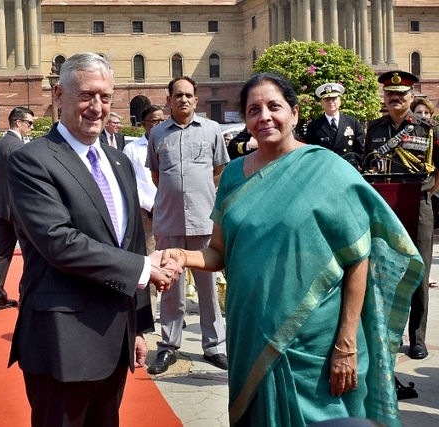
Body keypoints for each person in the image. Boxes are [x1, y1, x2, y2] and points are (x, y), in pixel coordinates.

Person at [161, 72, 423, 426]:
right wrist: (184, 256)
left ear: (295, 114)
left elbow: (358, 259)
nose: (264, 116)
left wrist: (346, 343)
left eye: (274, 106)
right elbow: (219, 252)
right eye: (253, 110)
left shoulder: (329, 170)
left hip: (317, 339)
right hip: (251, 331)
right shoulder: (234, 175)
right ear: (246, 120)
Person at [7, 52, 182, 427]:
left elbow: (131, 242)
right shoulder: (32, 160)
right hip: (62, 339)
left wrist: (137, 327)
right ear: (58, 96)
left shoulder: (118, 161)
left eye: (105, 97)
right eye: (86, 95)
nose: (96, 107)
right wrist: (143, 268)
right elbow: (58, 242)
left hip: (114, 336)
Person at [145, 76, 229, 374]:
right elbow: (156, 175)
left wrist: (198, 192)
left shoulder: (211, 130)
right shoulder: (158, 135)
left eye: (188, 95)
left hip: (204, 221)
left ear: (196, 100)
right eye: (177, 95)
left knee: (208, 289)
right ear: (169, 100)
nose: (183, 99)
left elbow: (219, 170)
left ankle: (215, 347)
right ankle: (168, 346)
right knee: (170, 287)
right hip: (169, 222)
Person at [365, 70, 439, 360]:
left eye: (401, 94)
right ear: (384, 97)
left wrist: (431, 193)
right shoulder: (374, 129)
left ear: (412, 96)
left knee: (418, 272)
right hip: (384, 206)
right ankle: (389, 334)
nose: (395, 98)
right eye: (390, 94)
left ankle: (417, 338)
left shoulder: (428, 128)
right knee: (385, 272)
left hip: (418, 204)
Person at [0, 107, 34, 312]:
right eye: (29, 123)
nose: (31, 127)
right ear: (18, 122)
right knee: (30, 253)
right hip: (18, 209)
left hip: (0, 206)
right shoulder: (19, 147)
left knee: (2, 253)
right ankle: (25, 294)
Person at [124, 105, 165, 314]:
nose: (158, 124)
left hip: (169, 211)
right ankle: (150, 310)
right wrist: (149, 206)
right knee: (150, 260)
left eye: (161, 120)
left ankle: (169, 312)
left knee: (169, 260)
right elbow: (131, 182)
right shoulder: (132, 149)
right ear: (143, 124)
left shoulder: (169, 143)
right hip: (146, 212)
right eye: (154, 121)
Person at [411, 98, 439, 289]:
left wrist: (432, 191)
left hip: (427, 194)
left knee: (424, 242)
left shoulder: (432, 131)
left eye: (426, 113)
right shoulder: (410, 133)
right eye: (418, 113)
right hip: (406, 194)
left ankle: (424, 276)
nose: (422, 116)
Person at [305, 82, 365, 166]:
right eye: (327, 99)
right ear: (322, 103)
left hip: (348, 168)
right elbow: (311, 153)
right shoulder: (314, 126)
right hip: (325, 169)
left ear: (340, 101)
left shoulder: (352, 122)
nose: (331, 102)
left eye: (334, 98)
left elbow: (360, 150)